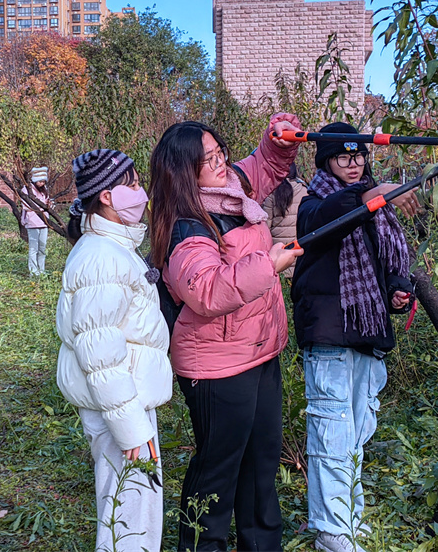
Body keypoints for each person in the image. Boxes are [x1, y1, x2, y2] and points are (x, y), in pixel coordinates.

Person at [148, 113, 303, 552]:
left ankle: (262, 545)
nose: (222, 163)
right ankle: (202, 546)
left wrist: (278, 139)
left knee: (261, 464)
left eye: (221, 153)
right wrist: (268, 265)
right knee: (218, 471)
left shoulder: (231, 188)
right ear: (184, 173)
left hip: (259, 353)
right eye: (209, 159)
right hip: (217, 369)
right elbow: (207, 290)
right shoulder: (186, 226)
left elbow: (265, 166)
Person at [290, 122, 419, 552]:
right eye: (343, 156)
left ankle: (348, 519)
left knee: (357, 433)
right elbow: (329, 222)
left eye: (359, 155)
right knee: (332, 432)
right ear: (325, 160)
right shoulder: (313, 203)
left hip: (367, 335)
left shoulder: (377, 208)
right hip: (329, 336)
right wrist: (368, 194)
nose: (353, 162)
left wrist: (397, 291)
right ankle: (330, 531)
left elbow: (386, 264)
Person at [56, 149, 173, 552]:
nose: (141, 192)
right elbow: (100, 357)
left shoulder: (111, 249)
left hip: (126, 402)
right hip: (121, 408)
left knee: (131, 504)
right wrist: (131, 430)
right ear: (106, 195)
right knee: (129, 511)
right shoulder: (101, 258)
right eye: (133, 183)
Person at [261, 163, 309, 278]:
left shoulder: (271, 192)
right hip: (299, 255)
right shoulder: (304, 189)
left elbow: (264, 227)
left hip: (279, 257)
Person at [21, 165, 51, 276]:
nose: (42, 184)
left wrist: (48, 205)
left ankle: (41, 270)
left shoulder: (44, 190)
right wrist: (40, 208)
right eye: (40, 181)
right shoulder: (26, 189)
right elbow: (25, 206)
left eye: (43, 181)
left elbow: (47, 204)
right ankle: (33, 271)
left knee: (42, 248)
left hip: (44, 222)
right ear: (35, 180)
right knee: (33, 248)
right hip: (32, 222)